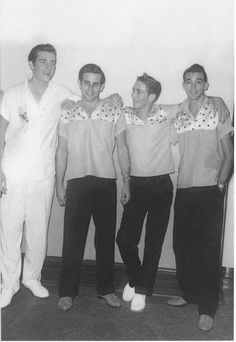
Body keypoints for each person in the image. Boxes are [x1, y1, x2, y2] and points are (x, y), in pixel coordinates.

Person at [0, 44, 122, 309]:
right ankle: (8, 284)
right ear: (31, 65)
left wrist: (115, 96)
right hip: (13, 172)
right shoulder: (12, 94)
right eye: (43, 62)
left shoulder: (61, 95)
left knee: (37, 231)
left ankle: (32, 278)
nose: (49, 67)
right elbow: (1, 131)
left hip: (43, 174)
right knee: (9, 230)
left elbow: (93, 99)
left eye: (53, 62)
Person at [56, 63, 130, 312]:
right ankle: (67, 292)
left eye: (95, 83)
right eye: (86, 82)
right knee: (72, 240)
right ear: (79, 83)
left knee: (105, 239)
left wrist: (126, 180)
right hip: (76, 182)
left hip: (106, 182)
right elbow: (62, 150)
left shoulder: (113, 111)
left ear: (102, 85)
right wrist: (59, 182)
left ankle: (106, 289)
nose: (90, 87)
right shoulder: (67, 111)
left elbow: (122, 148)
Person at [167, 64, 233, 332]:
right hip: (184, 189)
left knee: (207, 251)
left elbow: (230, 155)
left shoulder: (217, 111)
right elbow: (151, 111)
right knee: (182, 246)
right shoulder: (179, 114)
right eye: (188, 82)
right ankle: (189, 293)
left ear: (206, 85)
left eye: (198, 82)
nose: (193, 86)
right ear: (183, 85)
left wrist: (220, 184)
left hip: (209, 190)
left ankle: (207, 307)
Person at [116, 73, 175, 312]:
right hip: (136, 185)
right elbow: (122, 150)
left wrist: (220, 101)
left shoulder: (165, 113)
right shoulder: (125, 116)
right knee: (125, 239)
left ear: (152, 96)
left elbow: (194, 99)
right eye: (133, 90)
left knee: (153, 241)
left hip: (162, 185)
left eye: (139, 91)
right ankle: (135, 278)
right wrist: (126, 182)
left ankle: (142, 290)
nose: (133, 94)